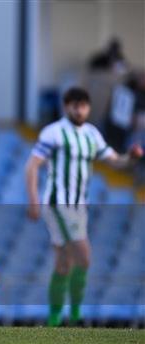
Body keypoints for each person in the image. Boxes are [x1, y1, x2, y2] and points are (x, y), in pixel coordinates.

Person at [25, 87, 143, 326]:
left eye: (83, 105)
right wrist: (34, 200)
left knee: (63, 263)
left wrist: (130, 158)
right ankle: (77, 316)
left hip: (79, 207)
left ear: (88, 108)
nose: (79, 109)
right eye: (74, 104)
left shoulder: (91, 134)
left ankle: (55, 319)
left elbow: (114, 160)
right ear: (66, 106)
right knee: (84, 256)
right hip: (58, 203)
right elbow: (32, 166)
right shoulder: (54, 132)